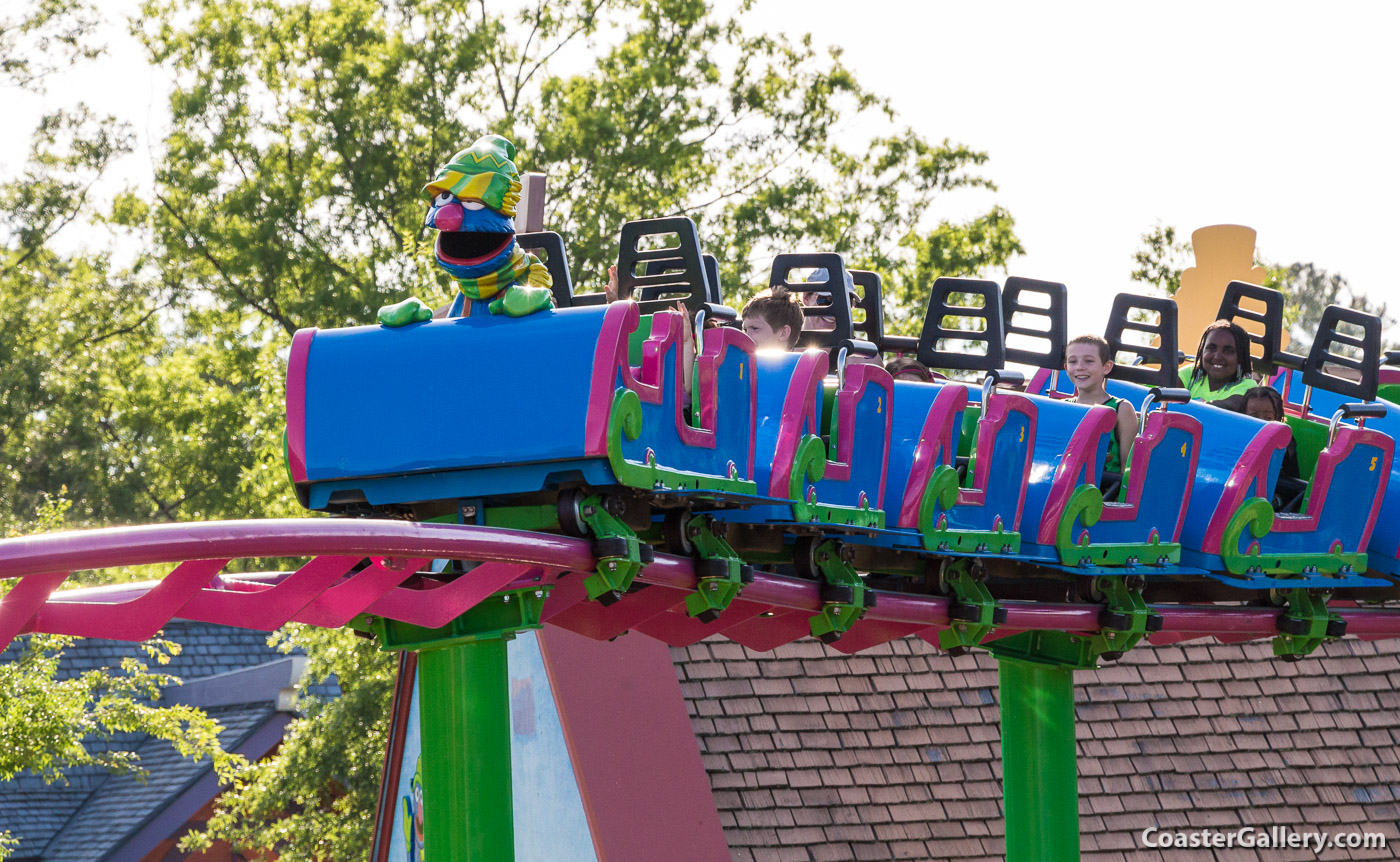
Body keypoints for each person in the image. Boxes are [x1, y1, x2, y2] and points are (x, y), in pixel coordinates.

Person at [1064, 334, 1137, 500]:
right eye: (1073, 361)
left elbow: (1128, 469)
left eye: (1089, 361)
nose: (1080, 367)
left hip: (1104, 492)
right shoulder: (1064, 407)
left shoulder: (1122, 409)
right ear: (1065, 366)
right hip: (1066, 489)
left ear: (1107, 367)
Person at [1240, 386, 1305, 510]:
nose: (1262, 422)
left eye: (1268, 418)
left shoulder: (1286, 441)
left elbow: (1293, 482)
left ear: (1278, 417)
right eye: (1254, 416)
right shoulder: (1240, 434)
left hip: (1275, 492)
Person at [1180, 319, 1257, 410]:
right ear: (1202, 350)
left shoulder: (1248, 385)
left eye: (1228, 351)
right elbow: (1166, 393)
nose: (1217, 357)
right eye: (1211, 348)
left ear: (1241, 357)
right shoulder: (1191, 373)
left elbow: (1231, 406)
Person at [740, 287, 804, 350]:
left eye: (755, 328)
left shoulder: (802, 360)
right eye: (745, 330)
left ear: (783, 333)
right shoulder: (739, 359)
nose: (745, 336)